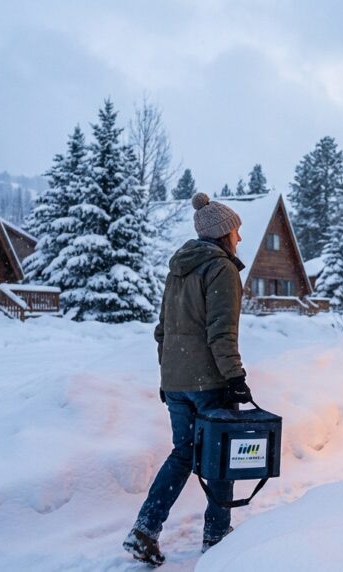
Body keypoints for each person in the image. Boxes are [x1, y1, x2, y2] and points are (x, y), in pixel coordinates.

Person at [124, 192, 254, 566]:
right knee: (221, 455)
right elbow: (220, 331)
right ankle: (216, 537)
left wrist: (168, 378)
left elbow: (162, 330)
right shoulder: (221, 269)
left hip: (176, 381)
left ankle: (145, 529)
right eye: (236, 232)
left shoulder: (177, 269)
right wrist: (235, 376)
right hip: (209, 382)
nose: (239, 239)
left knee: (183, 454)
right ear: (222, 234)